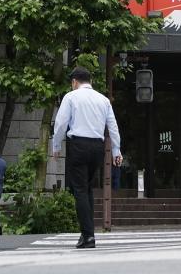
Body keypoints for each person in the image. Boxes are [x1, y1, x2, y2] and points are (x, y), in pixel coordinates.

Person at [51, 67, 123, 249]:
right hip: (98, 148)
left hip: (79, 146)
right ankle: (88, 232)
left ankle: (88, 235)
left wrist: (57, 145)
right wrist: (116, 151)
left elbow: (61, 123)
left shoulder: (71, 97)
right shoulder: (104, 100)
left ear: (75, 81)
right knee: (88, 188)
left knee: (80, 190)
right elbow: (113, 127)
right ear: (89, 81)